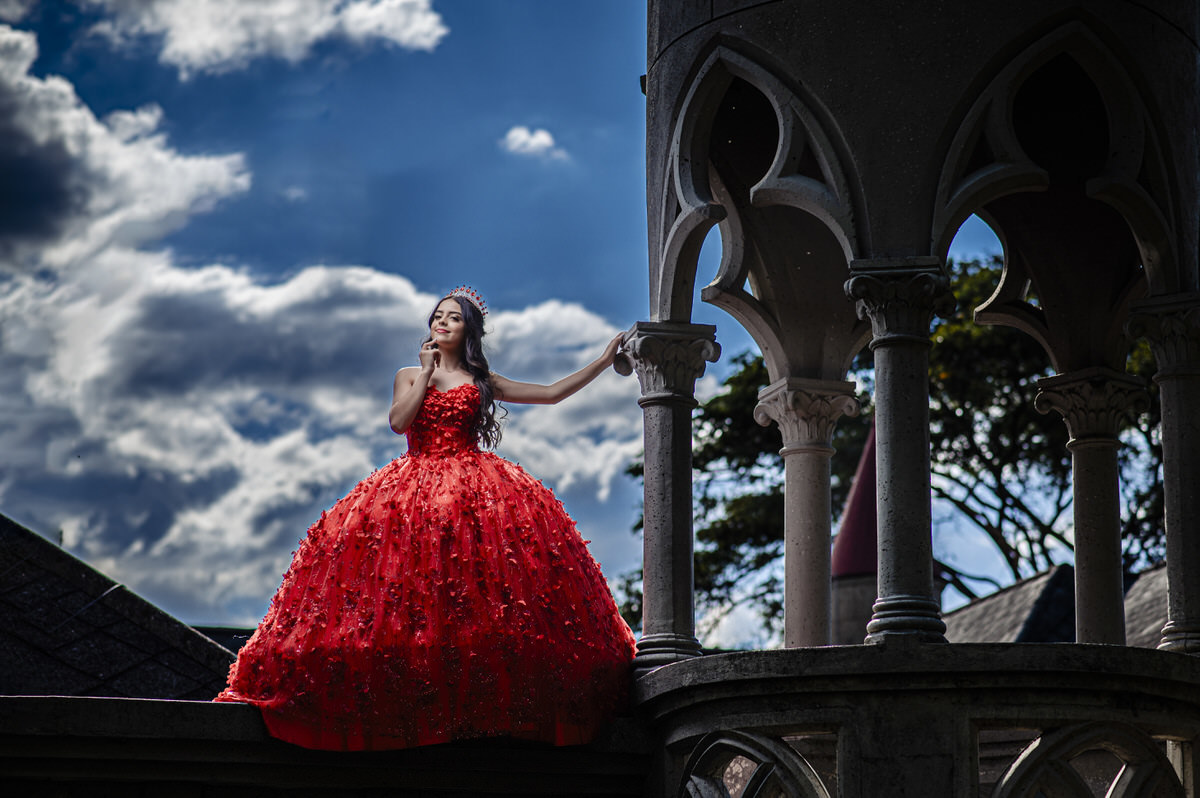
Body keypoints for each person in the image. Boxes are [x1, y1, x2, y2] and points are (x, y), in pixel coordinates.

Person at [215, 288, 638, 751]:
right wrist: (427, 374)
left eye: (454, 319)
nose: (443, 323)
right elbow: (399, 422)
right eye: (438, 316)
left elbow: (552, 394)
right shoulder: (409, 374)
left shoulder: (482, 380)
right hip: (411, 489)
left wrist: (602, 360)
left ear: (468, 331)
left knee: (479, 594)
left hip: (477, 489)